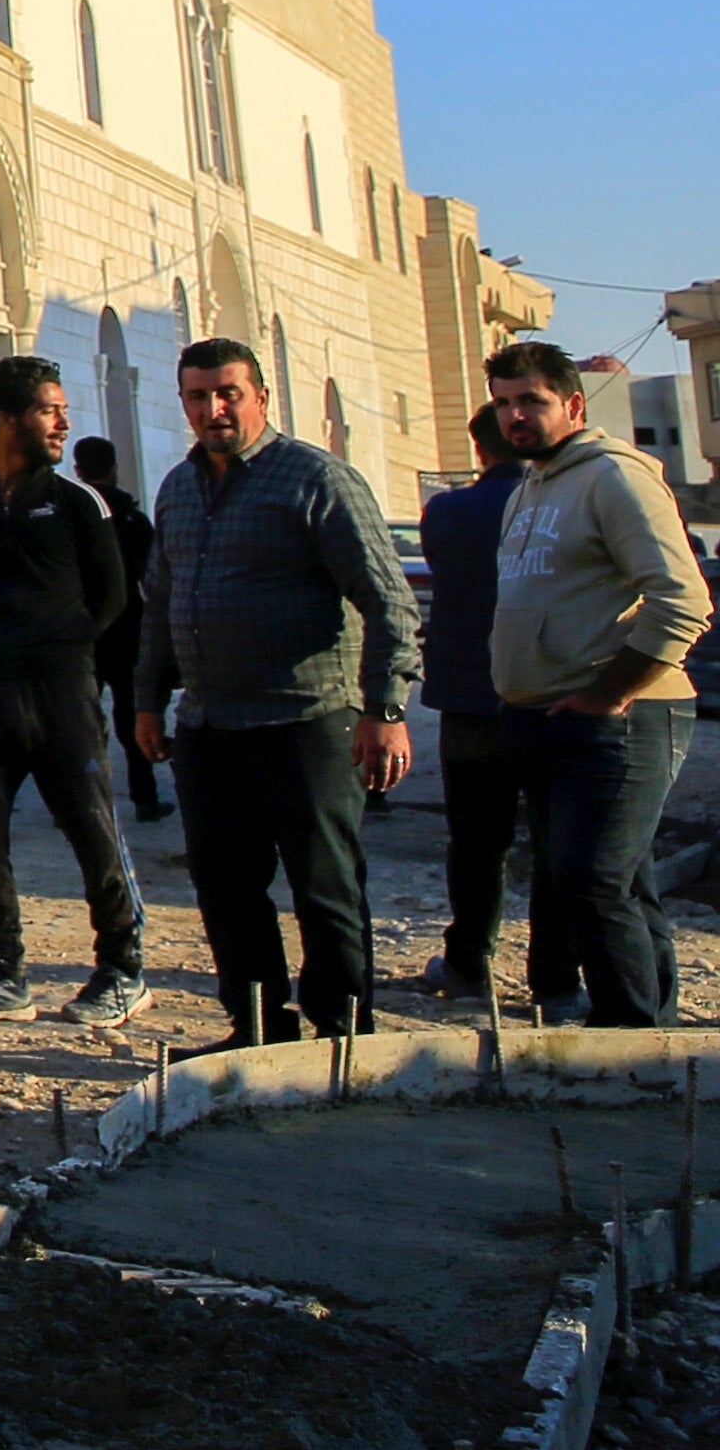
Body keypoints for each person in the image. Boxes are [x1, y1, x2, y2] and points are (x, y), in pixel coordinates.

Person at [133, 336, 418, 1049]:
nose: (214, 408)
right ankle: (258, 1029)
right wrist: (146, 699)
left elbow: (389, 601)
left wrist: (385, 709)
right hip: (211, 725)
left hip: (308, 719)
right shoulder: (178, 489)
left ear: (261, 396)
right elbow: (162, 604)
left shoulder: (316, 480)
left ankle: (343, 1034)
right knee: (227, 889)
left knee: (324, 888)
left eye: (228, 392)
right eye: (198, 396)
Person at [0, 355, 146, 1026]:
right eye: (50, 409)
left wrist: (55, 645)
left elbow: (111, 597)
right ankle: (2, 973)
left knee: (92, 829)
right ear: (6, 418)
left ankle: (122, 967)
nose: (63, 422)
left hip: (62, 693)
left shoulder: (78, 503)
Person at [485, 340, 711, 1029]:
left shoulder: (615, 477)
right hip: (545, 718)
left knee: (593, 881)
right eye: (503, 403)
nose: (516, 416)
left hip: (621, 717)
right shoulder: (528, 486)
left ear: (573, 404)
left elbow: (684, 600)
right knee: (616, 882)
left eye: (532, 401)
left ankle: (630, 1039)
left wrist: (608, 693)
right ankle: (656, 1036)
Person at [416, 404, 530, 1003]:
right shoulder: (545, 507)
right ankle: (554, 975)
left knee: (478, 841)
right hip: (543, 695)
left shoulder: (447, 512)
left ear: (480, 450)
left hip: (467, 695)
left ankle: (468, 961)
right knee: (555, 835)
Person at [74, 434, 165, 819]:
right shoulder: (132, 518)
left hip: (82, 633)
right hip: (127, 632)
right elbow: (156, 576)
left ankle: (83, 799)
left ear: (78, 470)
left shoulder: (69, 514)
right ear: (114, 469)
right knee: (133, 718)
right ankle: (145, 798)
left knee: (80, 719)